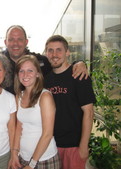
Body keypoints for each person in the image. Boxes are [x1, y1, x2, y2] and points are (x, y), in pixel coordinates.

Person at [44, 35, 96, 169]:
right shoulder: (46, 80)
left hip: (74, 146)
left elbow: (89, 113)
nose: (54, 54)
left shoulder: (79, 76)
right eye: (50, 50)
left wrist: (83, 146)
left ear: (67, 52)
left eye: (59, 50)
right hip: (51, 145)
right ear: (46, 53)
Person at [12, 55, 61, 169]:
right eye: (21, 71)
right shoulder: (19, 96)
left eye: (30, 71)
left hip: (43, 160)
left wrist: (32, 164)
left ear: (38, 74)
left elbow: (47, 134)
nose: (25, 75)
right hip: (23, 158)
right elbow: (19, 127)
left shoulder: (45, 97)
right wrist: (14, 153)